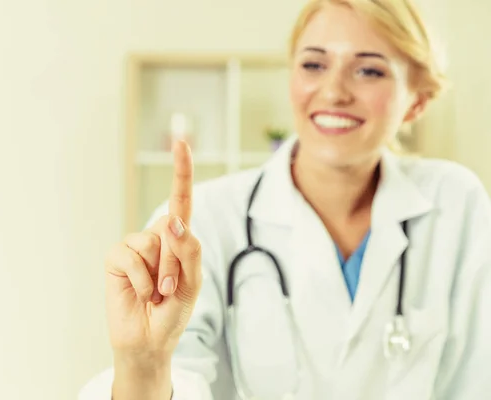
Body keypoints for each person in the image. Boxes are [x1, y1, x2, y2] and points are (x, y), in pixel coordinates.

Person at [81, 0, 491, 399]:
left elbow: (477, 379)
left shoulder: (454, 204)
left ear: (416, 101)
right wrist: (143, 364)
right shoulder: (203, 223)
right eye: (314, 64)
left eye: (368, 70)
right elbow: (179, 383)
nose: (333, 91)